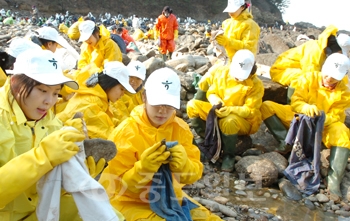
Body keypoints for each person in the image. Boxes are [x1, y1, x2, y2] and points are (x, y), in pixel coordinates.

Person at [0, 49, 118, 220]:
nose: (49, 101)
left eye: (56, 93)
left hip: (34, 211)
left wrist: (77, 175)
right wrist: (42, 158)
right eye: (42, 90)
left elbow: (48, 186)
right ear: (16, 82)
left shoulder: (49, 121)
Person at [99, 67, 222, 220]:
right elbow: (121, 186)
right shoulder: (125, 133)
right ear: (144, 97)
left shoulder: (180, 129)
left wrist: (184, 165)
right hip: (127, 201)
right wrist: (143, 168)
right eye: (157, 103)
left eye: (168, 104)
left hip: (168, 195)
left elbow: (194, 173)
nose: (162, 111)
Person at [260, 53, 350, 199]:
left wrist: (322, 118)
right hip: (300, 116)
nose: (329, 79)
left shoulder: (344, 92)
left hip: (325, 125)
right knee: (266, 106)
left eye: (334, 77)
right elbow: (295, 102)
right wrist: (305, 107)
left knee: (343, 134)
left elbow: (337, 116)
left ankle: (334, 181)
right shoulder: (308, 78)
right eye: (327, 75)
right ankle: (286, 142)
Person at [187, 49, 264, 172]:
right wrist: (216, 101)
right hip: (220, 110)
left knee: (229, 121)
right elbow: (211, 92)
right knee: (192, 105)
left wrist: (230, 110)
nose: (238, 77)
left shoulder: (256, 85)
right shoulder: (223, 73)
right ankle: (206, 138)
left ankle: (229, 156)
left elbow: (250, 110)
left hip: (242, 120)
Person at [269, 25, 349, 103]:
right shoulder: (315, 50)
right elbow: (310, 75)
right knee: (302, 78)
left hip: (294, 69)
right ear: (335, 47)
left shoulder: (322, 49)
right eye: (340, 52)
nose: (340, 54)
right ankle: (292, 103)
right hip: (281, 71)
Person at [58, 61, 135, 139]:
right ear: (110, 83)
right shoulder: (91, 104)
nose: (122, 94)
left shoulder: (97, 97)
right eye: (121, 89)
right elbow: (105, 135)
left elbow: (106, 120)